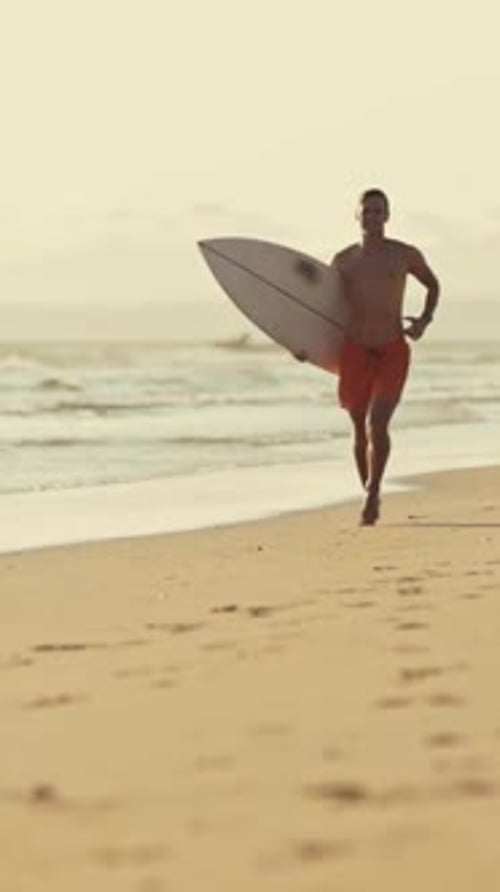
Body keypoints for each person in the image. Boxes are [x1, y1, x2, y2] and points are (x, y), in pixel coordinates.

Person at [332, 188, 440, 525]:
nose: (372, 217)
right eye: (367, 211)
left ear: (387, 216)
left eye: (378, 212)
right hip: (354, 350)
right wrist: (303, 345)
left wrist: (424, 320)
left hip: (392, 347)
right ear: (357, 216)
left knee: (377, 423)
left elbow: (432, 285)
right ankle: (368, 486)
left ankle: (372, 492)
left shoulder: (403, 255)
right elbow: (322, 310)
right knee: (359, 428)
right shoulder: (344, 261)